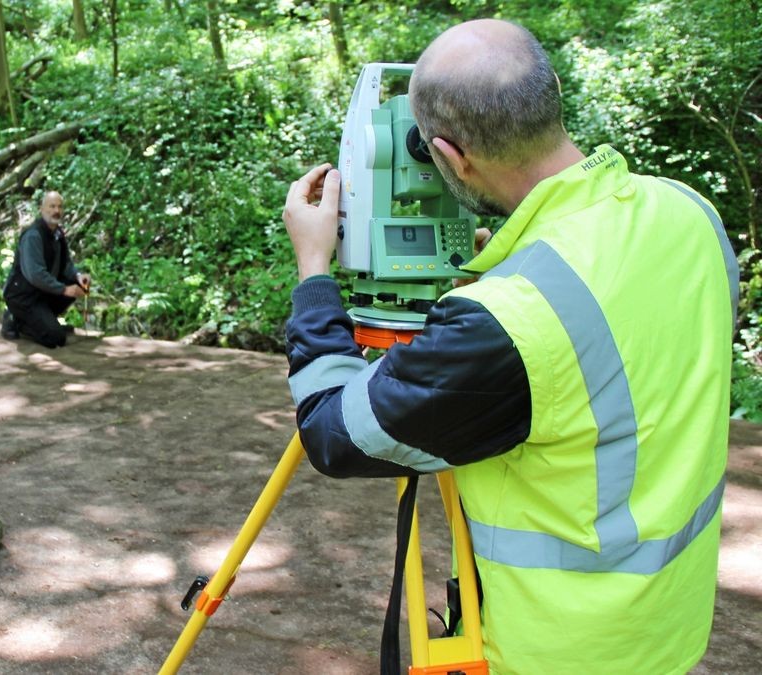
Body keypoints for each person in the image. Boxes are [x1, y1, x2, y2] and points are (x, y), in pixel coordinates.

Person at [282, 19, 737, 675]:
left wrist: (314, 272)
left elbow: (333, 431)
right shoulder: (689, 213)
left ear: (450, 154)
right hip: (669, 633)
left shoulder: (509, 318)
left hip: (556, 653)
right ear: (550, 93)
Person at [2, 191, 91, 348]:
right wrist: (64, 290)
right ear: (42, 209)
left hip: (42, 293)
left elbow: (66, 265)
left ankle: (41, 321)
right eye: (52, 206)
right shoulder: (33, 236)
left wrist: (78, 276)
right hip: (24, 296)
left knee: (75, 283)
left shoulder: (57, 234)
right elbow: (36, 275)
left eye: (59, 207)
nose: (56, 211)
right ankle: (17, 319)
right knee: (55, 338)